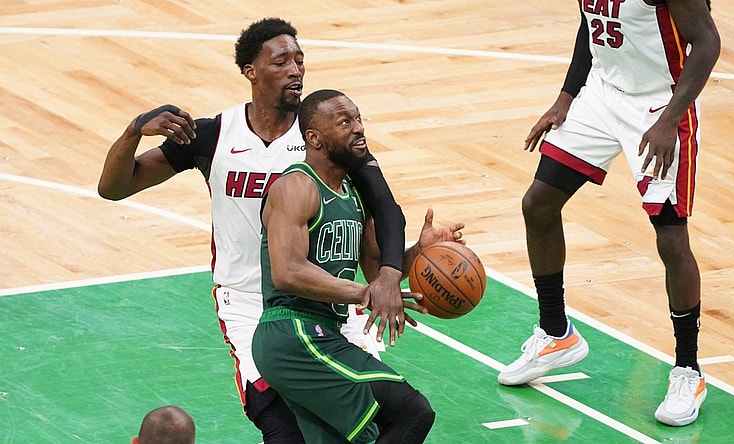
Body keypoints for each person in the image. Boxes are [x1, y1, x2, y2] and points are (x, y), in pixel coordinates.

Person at [98, 18, 411, 443]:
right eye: (281, 61)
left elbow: (386, 209)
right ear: (251, 71)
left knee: (385, 421)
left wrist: (390, 272)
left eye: (299, 60)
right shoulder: (213, 135)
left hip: (328, 303)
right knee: (283, 426)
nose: (295, 70)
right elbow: (114, 187)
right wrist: (134, 130)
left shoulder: (325, 138)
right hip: (249, 303)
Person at [497, 0, 720, 428]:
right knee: (538, 204)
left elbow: (707, 42)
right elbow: (591, 24)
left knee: (671, 239)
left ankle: (688, 371)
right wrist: (566, 98)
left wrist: (672, 119)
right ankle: (556, 334)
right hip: (601, 93)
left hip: (660, 104)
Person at [253, 89, 464, 443]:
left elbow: (376, 270)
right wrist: (368, 294)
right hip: (292, 334)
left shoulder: (353, 194)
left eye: (359, 119)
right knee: (411, 410)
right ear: (314, 138)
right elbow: (287, 272)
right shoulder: (296, 186)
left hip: (324, 333)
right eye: (344, 122)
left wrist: (419, 252)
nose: (358, 128)